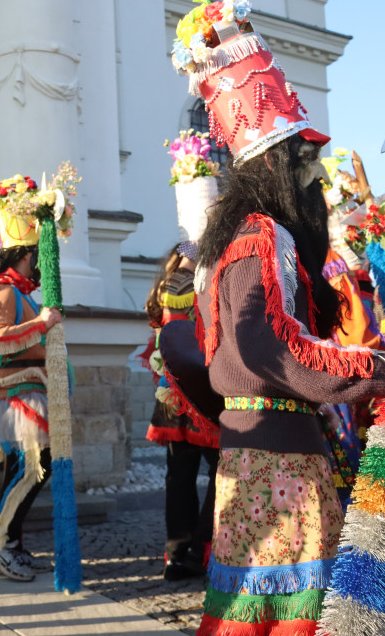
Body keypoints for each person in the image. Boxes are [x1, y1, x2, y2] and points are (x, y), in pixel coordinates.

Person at [170, 0, 385, 634]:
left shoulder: (234, 236)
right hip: (280, 460)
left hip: (259, 451)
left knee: (250, 608)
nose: (316, 178)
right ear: (277, 165)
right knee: (281, 614)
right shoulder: (265, 234)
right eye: (305, 161)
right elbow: (273, 349)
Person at [0, 239, 61, 582]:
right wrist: (43, 323)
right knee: (30, 469)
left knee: (28, 469)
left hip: (30, 387)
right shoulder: (4, 289)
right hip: (16, 391)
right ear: (27, 256)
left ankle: (11, 541)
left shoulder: (21, 293)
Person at [143, 245, 219, 581]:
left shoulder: (163, 286)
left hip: (172, 390)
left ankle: (177, 554)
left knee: (179, 477)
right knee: (222, 472)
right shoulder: (199, 285)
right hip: (201, 391)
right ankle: (202, 546)